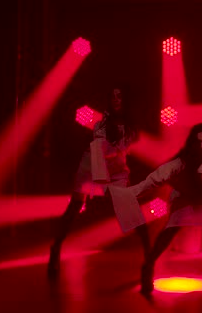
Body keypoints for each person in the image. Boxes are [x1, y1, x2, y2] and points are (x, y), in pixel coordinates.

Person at [111, 123, 202, 296]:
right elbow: (160, 175)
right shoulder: (183, 161)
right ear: (192, 145)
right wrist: (134, 192)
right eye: (198, 143)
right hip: (190, 201)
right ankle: (149, 265)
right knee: (172, 228)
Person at [47, 88, 150, 277]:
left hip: (116, 167)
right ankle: (56, 248)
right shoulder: (102, 122)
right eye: (112, 96)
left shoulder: (129, 125)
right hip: (93, 162)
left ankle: (149, 257)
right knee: (75, 205)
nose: (116, 99)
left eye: (119, 95)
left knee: (129, 209)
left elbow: (125, 147)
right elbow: (102, 148)